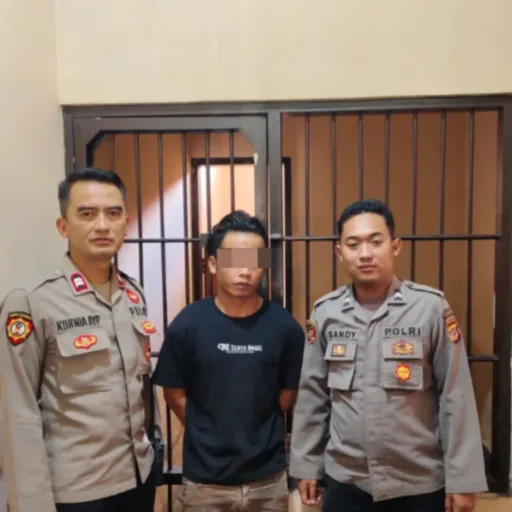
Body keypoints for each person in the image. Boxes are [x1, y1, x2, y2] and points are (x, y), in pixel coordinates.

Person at [289, 199, 488, 512]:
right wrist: (306, 465)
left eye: (376, 242)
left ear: (395, 246)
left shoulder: (429, 309)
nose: (365, 253)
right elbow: (313, 395)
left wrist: (463, 480)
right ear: (340, 252)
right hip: (347, 482)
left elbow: (455, 395)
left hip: (418, 482)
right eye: (353, 244)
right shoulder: (326, 313)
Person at [0, 168, 160, 512]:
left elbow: (141, 385)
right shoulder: (32, 302)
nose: (102, 225)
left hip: (138, 479)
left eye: (113, 213)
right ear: (63, 226)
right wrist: (31, 504)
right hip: (76, 492)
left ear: (126, 223)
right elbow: (16, 413)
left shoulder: (133, 294)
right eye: (87, 214)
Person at [152, 210, 305, 511]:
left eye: (255, 261)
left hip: (268, 480)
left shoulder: (285, 327)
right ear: (212, 264)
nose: (245, 272)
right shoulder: (187, 325)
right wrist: (208, 431)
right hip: (204, 483)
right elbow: (173, 393)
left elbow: (287, 395)